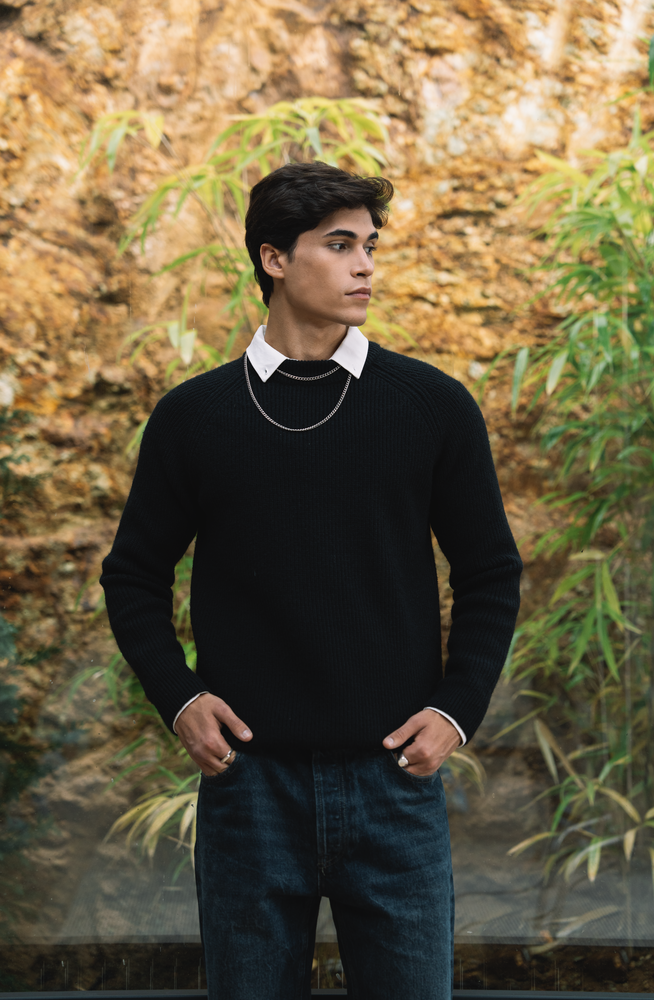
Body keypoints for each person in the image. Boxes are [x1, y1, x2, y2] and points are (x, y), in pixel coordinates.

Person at [100, 161, 522, 1000]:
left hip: (393, 784)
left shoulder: (430, 406)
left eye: (369, 245)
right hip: (249, 791)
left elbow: (489, 570)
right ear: (274, 259)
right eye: (338, 245)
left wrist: (455, 711)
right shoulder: (194, 417)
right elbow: (132, 575)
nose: (364, 265)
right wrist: (180, 699)